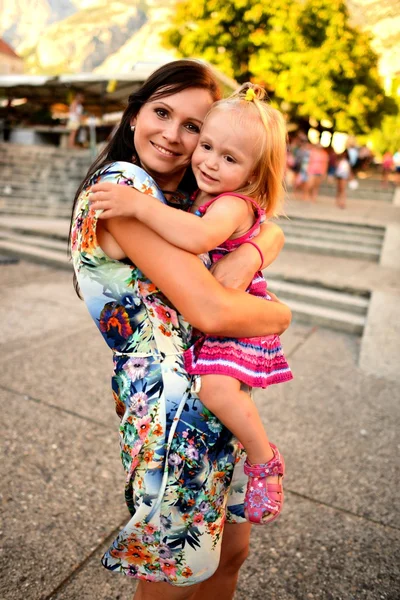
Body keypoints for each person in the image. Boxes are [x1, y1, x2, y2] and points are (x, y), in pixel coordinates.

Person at [69, 60, 292, 600]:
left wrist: (263, 242)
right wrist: (280, 315)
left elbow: (255, 223)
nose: (173, 135)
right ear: (135, 112)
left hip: (211, 398)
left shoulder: (180, 201)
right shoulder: (124, 188)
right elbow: (211, 311)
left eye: (192, 126)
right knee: (176, 572)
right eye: (161, 112)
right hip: (173, 417)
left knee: (229, 556)